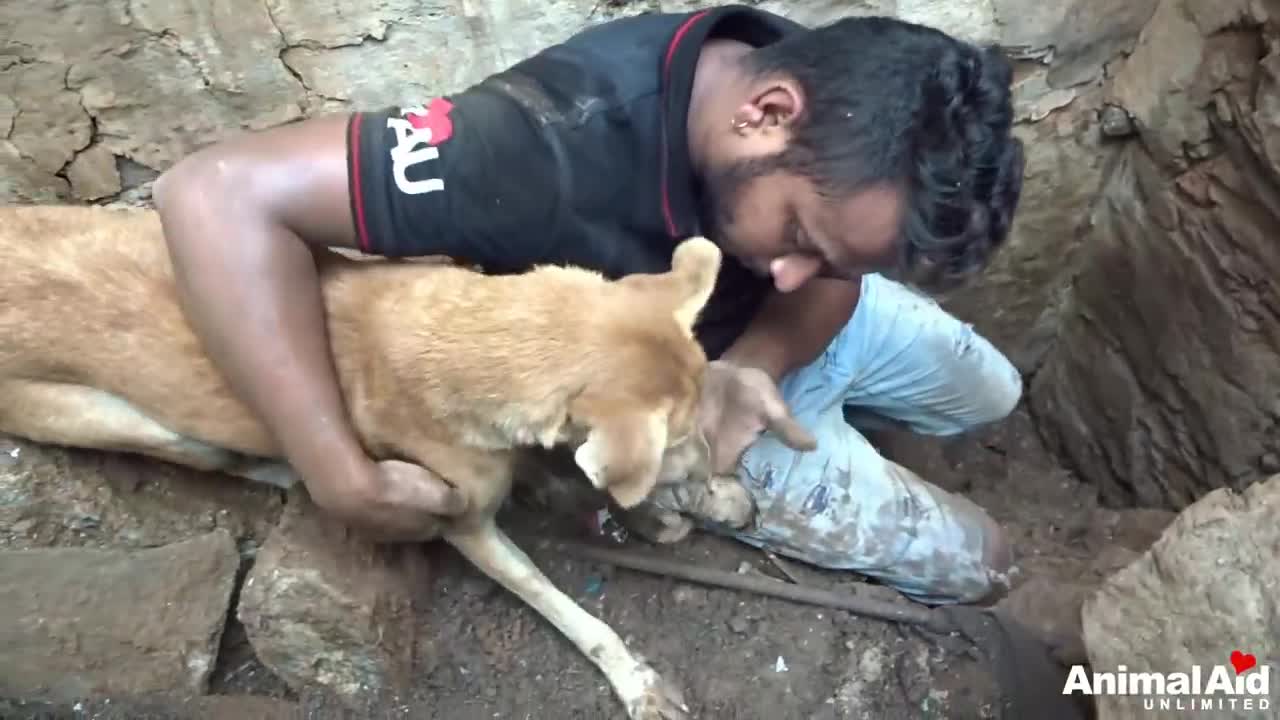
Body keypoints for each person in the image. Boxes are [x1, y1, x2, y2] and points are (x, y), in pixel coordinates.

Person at [152, 5, 1025, 606]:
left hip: (748, 376)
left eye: (831, 255)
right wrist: (336, 471)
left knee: (995, 398)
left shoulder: (838, 92)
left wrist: (757, 363)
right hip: (685, 418)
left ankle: (836, 404)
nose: (792, 275)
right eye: (797, 235)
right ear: (766, 113)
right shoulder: (533, 151)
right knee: (985, 562)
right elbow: (212, 194)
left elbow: (827, 282)